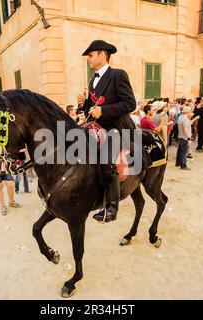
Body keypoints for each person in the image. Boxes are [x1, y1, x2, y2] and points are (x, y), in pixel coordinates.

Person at [77, 40, 137, 223]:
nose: (88, 59)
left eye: (90, 55)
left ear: (102, 55)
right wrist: (84, 103)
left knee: (107, 161)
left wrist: (104, 111)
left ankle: (111, 208)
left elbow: (130, 103)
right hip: (97, 128)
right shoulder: (92, 80)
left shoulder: (118, 75)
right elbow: (92, 110)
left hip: (117, 128)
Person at [175, 106, 199, 170]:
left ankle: (178, 163)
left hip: (181, 136)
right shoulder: (185, 119)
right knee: (184, 152)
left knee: (180, 151)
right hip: (185, 137)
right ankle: (183, 165)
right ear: (187, 112)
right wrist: (189, 139)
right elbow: (186, 129)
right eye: (190, 111)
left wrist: (194, 119)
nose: (191, 112)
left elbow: (188, 124)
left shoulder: (181, 117)